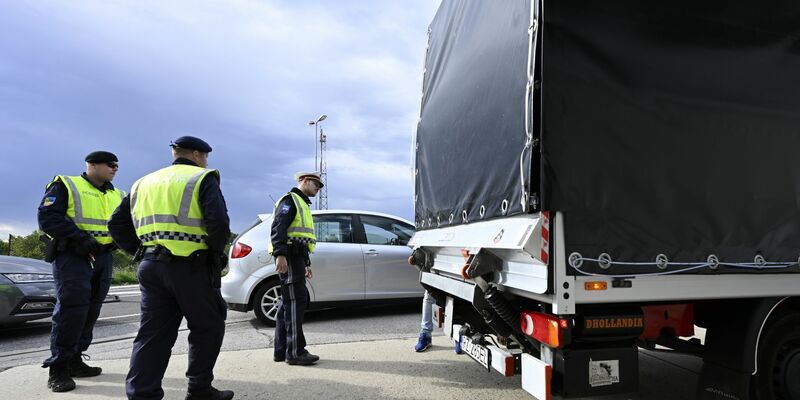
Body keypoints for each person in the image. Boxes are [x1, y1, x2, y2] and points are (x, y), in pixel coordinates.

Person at [108, 136, 233, 400]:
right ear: (197, 155)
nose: (206, 161)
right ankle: (199, 389)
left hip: (151, 266)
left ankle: (142, 394)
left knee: (152, 334)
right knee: (208, 326)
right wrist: (215, 255)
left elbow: (116, 224)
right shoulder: (201, 178)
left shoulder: (143, 182)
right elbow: (219, 223)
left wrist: (141, 251)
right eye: (206, 156)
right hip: (190, 267)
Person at [38, 151, 124, 392]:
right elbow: (47, 217)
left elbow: (124, 223)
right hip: (73, 256)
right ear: (91, 165)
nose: (115, 168)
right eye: (110, 164)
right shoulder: (66, 185)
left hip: (103, 256)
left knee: (92, 308)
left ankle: (76, 359)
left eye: (117, 165)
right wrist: (79, 238)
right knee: (71, 309)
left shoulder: (118, 194)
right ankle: (59, 368)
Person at [269, 171, 322, 366]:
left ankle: (281, 350)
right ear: (304, 181)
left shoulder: (302, 203)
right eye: (316, 183)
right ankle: (296, 352)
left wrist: (306, 263)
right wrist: (280, 254)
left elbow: (300, 236)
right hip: (290, 257)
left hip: (297, 257)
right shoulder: (290, 200)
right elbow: (278, 228)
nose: (318, 187)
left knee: (287, 304)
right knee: (294, 303)